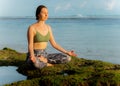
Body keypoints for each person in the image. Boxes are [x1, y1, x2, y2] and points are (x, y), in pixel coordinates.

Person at [26, 5, 77, 69]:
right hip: (34, 54)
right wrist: (32, 56)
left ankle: (46, 61)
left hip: (45, 55)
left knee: (67, 58)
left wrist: (67, 52)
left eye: (47, 13)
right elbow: (30, 45)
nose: (46, 15)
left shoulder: (48, 28)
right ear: (38, 14)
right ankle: (46, 64)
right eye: (44, 13)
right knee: (35, 63)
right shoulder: (32, 28)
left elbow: (54, 44)